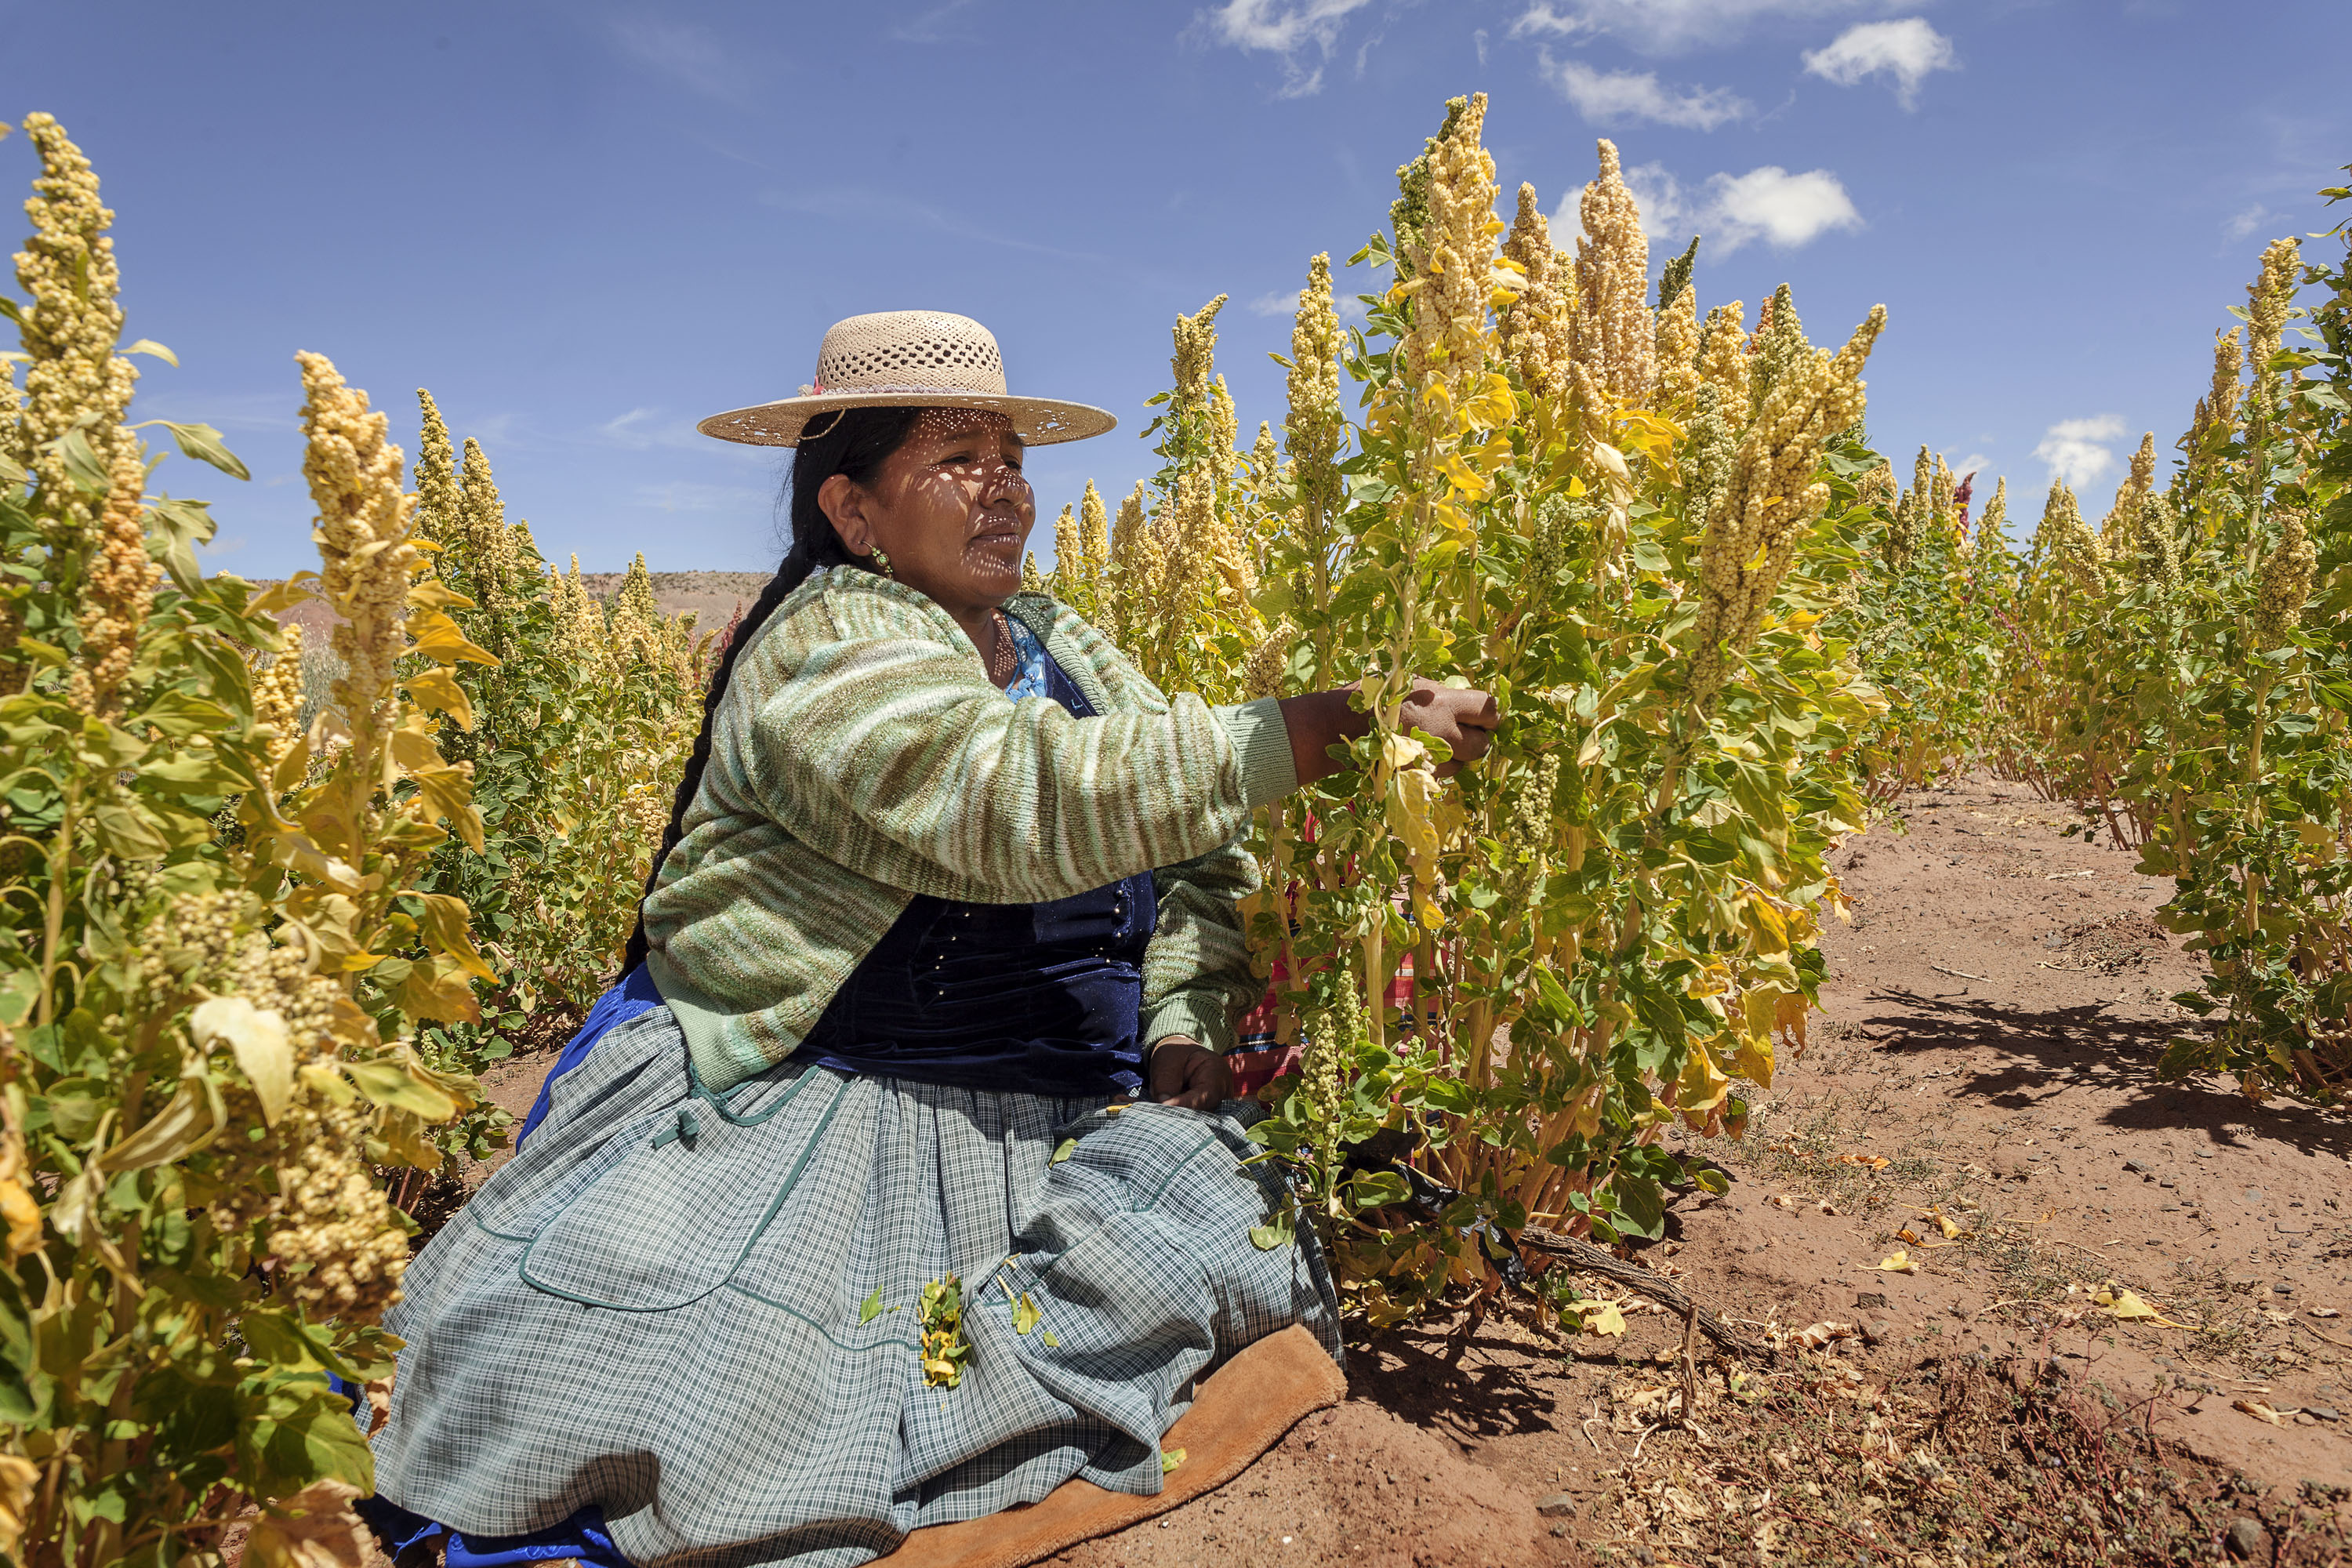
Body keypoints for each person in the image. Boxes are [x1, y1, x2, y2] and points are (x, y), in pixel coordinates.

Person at [361, 311, 1497, 1568]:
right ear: (853, 512)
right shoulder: (823, 646)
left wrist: (1186, 1008)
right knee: (729, 1395)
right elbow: (1010, 802)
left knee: (1219, 1214)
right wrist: (1317, 728)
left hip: (1073, 1098)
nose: (1004, 488)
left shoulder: (1061, 641)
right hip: (854, 1105)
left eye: (1012, 456)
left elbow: (1201, 855)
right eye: (959, 459)